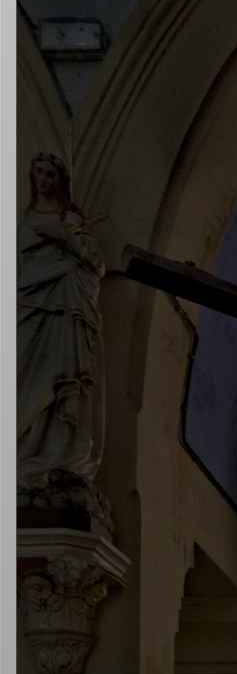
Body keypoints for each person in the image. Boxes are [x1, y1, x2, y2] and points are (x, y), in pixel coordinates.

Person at [17, 154, 109, 523]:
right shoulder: (22, 221)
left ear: (60, 180)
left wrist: (62, 238)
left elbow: (97, 264)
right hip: (28, 306)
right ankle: (25, 453)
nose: (43, 179)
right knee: (24, 375)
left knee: (65, 374)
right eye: (38, 172)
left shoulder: (69, 220)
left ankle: (60, 456)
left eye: (50, 173)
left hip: (67, 307)